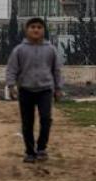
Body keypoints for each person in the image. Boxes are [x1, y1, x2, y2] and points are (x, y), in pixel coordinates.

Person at [6, 17, 63, 163]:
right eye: (32, 27)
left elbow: (56, 70)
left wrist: (58, 88)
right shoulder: (19, 50)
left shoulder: (50, 49)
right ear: (27, 30)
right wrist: (11, 85)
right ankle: (30, 152)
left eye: (39, 27)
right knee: (27, 122)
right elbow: (12, 69)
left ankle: (42, 148)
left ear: (44, 30)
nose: (36, 30)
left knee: (46, 119)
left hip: (45, 90)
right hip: (25, 90)